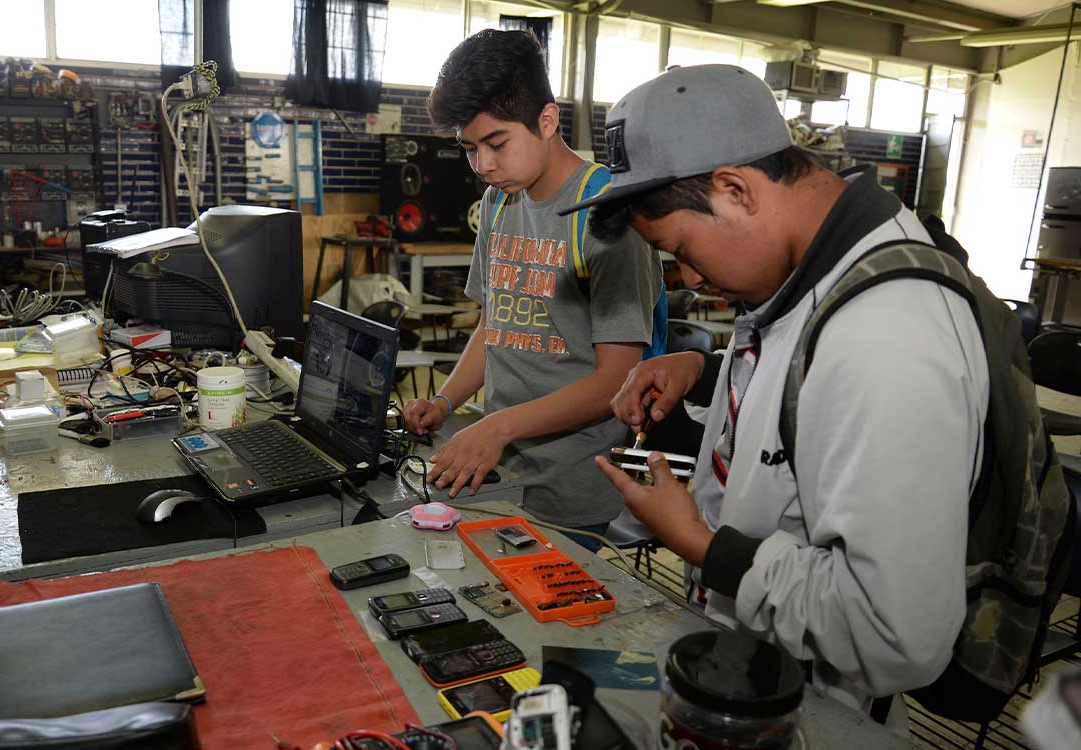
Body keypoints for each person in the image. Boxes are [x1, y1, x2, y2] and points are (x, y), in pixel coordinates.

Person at [566, 64, 988, 718]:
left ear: (735, 189)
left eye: (679, 248)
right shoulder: (818, 266)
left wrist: (703, 546)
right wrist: (704, 370)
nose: (688, 277)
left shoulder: (889, 341)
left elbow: (897, 635)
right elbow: (811, 396)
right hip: (753, 673)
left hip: (821, 712)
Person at [402, 29, 663, 545]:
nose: (484, 166)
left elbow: (616, 378)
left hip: (570, 488)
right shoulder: (501, 203)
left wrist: (498, 428)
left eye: (497, 143)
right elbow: (493, 326)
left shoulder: (604, 218)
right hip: (496, 470)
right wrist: (447, 402)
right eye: (470, 149)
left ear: (546, 121)